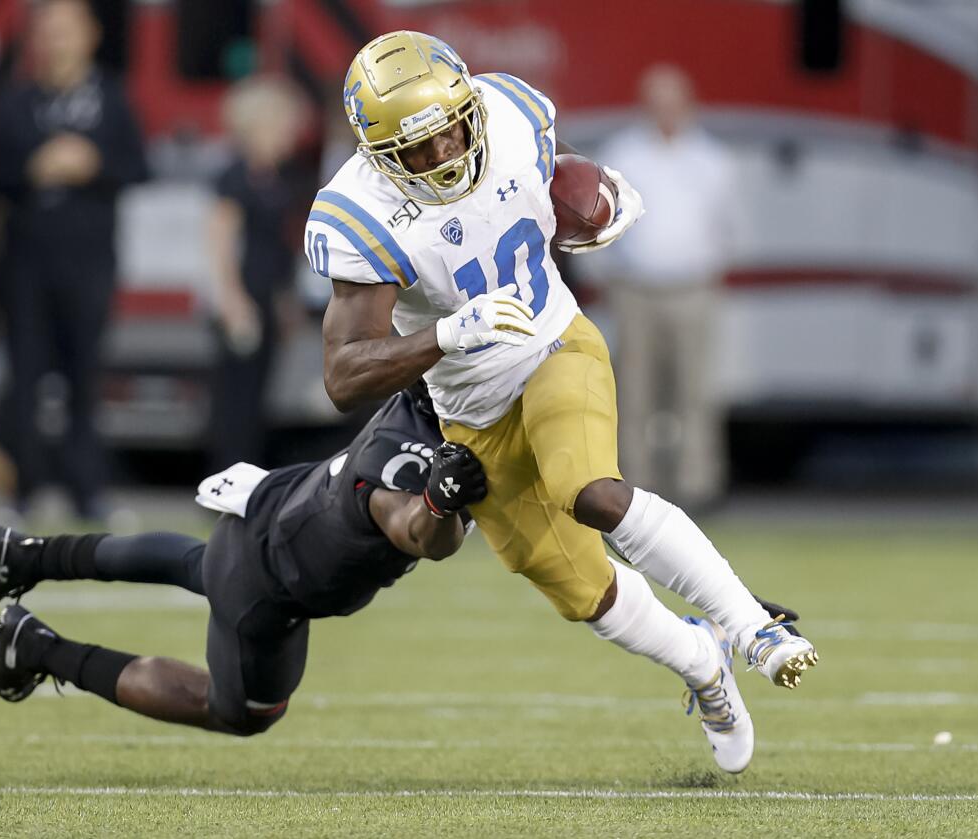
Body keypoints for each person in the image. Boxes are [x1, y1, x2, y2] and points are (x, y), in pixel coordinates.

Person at [305, 31, 817, 774]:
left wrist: (600, 198)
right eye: (415, 148)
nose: (445, 150)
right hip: (474, 413)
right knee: (589, 595)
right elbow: (343, 375)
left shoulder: (509, 110)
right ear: (378, 155)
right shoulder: (361, 211)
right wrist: (447, 333)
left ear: (468, 105)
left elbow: (556, 175)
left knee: (591, 491)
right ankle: (704, 662)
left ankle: (749, 626)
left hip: (554, 349)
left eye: (451, 125)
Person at [0, 383, 486, 735]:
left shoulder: (423, 409)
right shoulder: (409, 465)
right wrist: (440, 502)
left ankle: (23, 556)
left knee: (201, 563)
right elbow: (420, 534)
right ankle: (36, 649)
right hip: (272, 580)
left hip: (275, 505)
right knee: (243, 712)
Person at [0, 0, 148, 520]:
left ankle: (87, 491)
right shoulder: (15, 102)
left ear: (90, 36)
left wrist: (93, 165)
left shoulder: (113, 100)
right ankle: (23, 490)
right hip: (26, 263)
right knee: (25, 377)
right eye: (47, 31)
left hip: (89, 262)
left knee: (85, 378)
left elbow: (137, 166)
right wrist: (34, 167)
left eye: (65, 30)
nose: (55, 41)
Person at [594, 65, 742, 509]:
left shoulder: (713, 160)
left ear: (688, 103)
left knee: (695, 392)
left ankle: (699, 486)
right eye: (656, 101)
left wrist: (708, 270)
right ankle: (635, 490)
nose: (665, 111)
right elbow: (600, 222)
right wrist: (608, 279)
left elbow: (728, 227)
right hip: (634, 291)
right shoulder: (623, 155)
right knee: (635, 392)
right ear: (645, 105)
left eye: (672, 101)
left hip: (694, 289)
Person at [203, 76, 312, 471]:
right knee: (235, 394)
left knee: (259, 396)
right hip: (243, 296)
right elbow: (221, 239)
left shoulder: (277, 180)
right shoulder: (234, 177)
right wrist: (231, 299)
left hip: (268, 294)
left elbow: (280, 248)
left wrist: (285, 301)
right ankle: (226, 473)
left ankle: (249, 474)